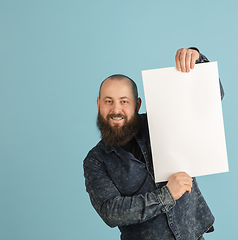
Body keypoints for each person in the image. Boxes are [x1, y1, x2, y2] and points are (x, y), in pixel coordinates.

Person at [83, 47, 224, 240]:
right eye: (109, 101)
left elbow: (210, 100)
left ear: (137, 104)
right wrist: (167, 195)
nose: (116, 110)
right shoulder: (95, 161)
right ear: (99, 104)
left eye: (124, 101)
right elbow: (111, 211)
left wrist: (197, 61)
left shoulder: (164, 122)